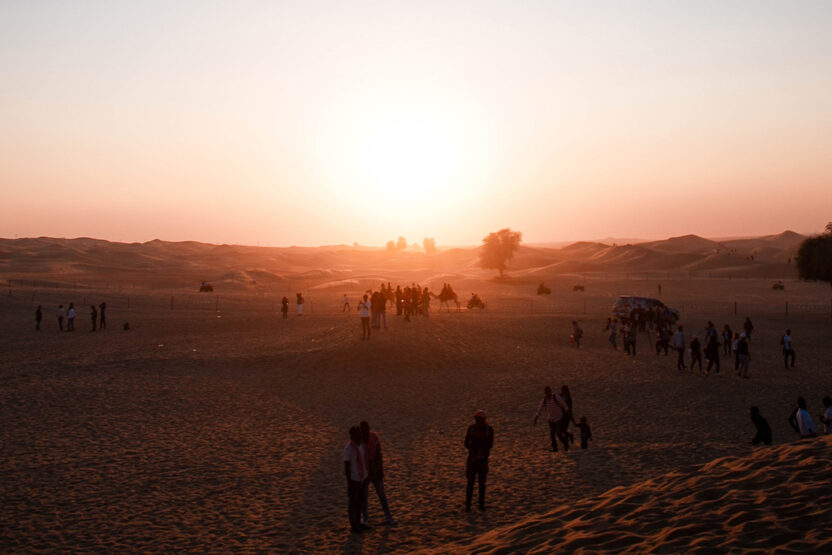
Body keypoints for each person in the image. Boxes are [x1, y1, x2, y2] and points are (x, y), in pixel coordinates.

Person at [360, 421, 396, 526]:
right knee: (364, 497)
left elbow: (379, 454)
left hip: (375, 471)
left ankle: (389, 517)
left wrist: (380, 470)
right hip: (365, 473)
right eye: (363, 430)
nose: (365, 432)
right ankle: (365, 519)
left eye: (366, 429)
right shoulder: (359, 442)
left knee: (382, 495)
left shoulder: (374, 437)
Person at [464, 410, 494, 511]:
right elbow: (490, 445)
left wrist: (474, 450)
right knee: (478, 483)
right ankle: (476, 505)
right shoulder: (488, 430)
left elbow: (466, 443)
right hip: (478, 459)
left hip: (476, 459)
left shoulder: (484, 430)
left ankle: (471, 506)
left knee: (474, 483)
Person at [344, 425, 369, 534]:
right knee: (353, 502)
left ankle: (358, 523)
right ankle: (354, 525)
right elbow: (347, 466)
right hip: (354, 479)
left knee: (360, 502)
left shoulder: (361, 445)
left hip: (362, 477)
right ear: (352, 436)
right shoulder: (349, 449)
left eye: (360, 433)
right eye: (357, 434)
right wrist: (349, 481)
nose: (360, 435)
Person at [533, 386, 570, 452]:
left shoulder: (556, 397)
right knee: (552, 434)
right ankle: (555, 448)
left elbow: (563, 404)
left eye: (549, 391)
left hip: (559, 417)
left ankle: (565, 443)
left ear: (550, 391)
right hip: (551, 419)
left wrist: (566, 409)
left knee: (558, 433)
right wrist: (536, 418)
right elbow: (539, 409)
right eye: (546, 392)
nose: (548, 393)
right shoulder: (544, 400)